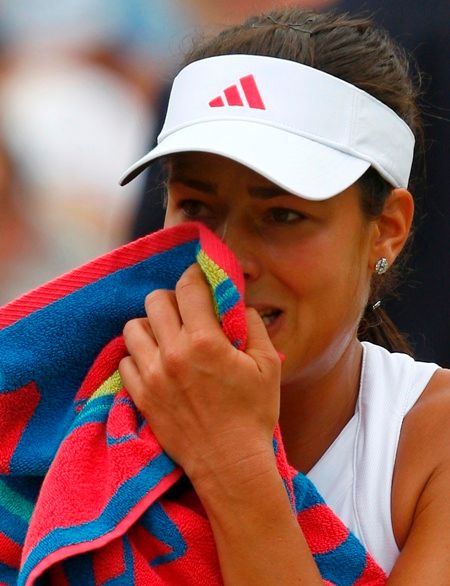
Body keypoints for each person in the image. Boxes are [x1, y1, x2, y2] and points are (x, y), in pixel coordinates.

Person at [117, 8, 450, 584]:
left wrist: (232, 460)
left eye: (283, 214)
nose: (229, 261)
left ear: (387, 229)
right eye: (196, 207)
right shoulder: (68, 411)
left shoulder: (431, 447)